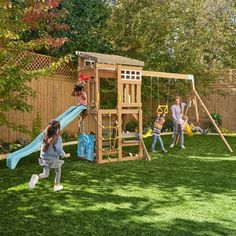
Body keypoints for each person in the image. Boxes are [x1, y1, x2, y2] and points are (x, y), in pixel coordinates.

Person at [29, 120, 70, 191]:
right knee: (58, 171)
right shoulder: (57, 138)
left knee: (45, 174)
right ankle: (57, 185)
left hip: (44, 158)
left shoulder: (45, 135)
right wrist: (65, 155)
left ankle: (37, 177)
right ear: (58, 129)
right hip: (52, 159)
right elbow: (59, 149)